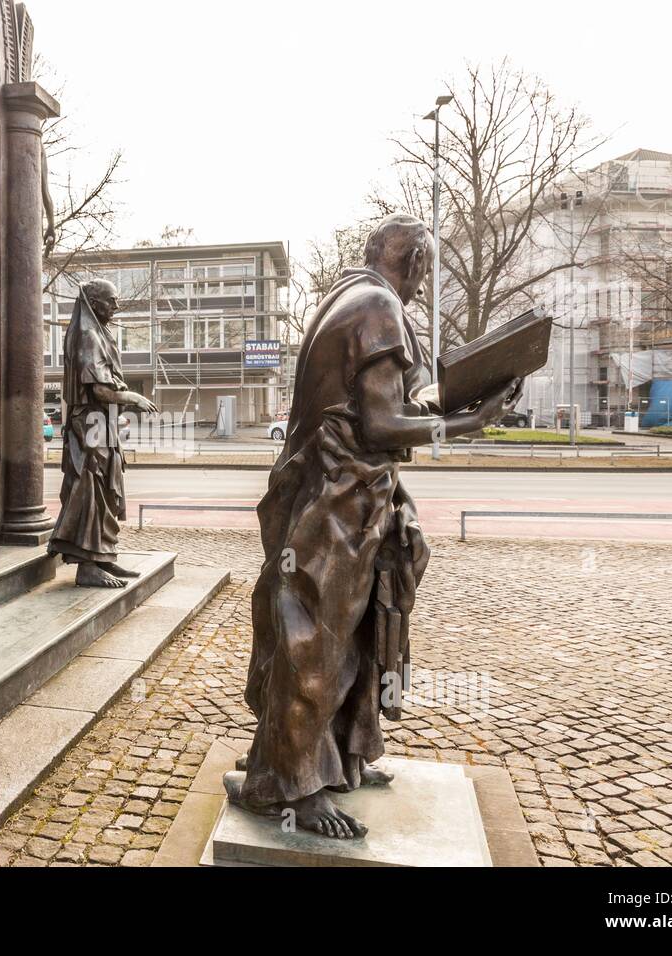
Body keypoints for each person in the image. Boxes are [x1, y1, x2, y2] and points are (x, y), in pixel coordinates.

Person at [230, 214, 522, 838]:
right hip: (336, 504)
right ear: (417, 261)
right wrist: (473, 423)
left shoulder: (355, 298)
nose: (425, 277)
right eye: (427, 266)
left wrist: (466, 396)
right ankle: (293, 786)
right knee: (317, 639)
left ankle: (340, 758)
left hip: (346, 499)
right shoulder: (377, 308)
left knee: (353, 634)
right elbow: (385, 427)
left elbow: (392, 405)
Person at [48, 279, 157, 588]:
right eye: (111, 300)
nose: (116, 306)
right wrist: (133, 397)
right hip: (89, 427)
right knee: (91, 489)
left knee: (106, 489)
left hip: (100, 424)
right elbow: (98, 388)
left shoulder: (98, 331)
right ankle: (87, 566)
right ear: (94, 303)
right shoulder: (87, 334)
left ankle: (103, 557)